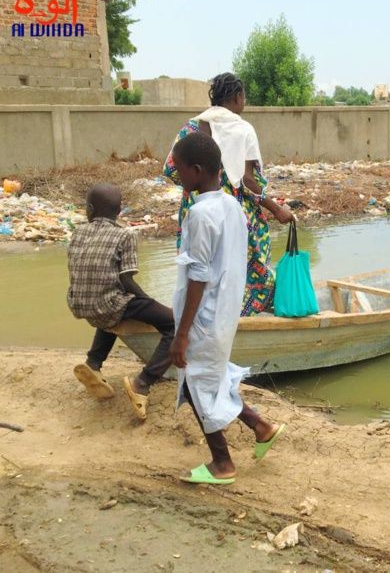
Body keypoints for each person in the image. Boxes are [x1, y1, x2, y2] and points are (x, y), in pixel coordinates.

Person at [168, 132, 285, 485]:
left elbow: (199, 276)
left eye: (180, 169)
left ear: (198, 170)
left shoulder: (200, 214)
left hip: (204, 316)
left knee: (195, 384)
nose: (177, 176)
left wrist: (182, 335)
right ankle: (260, 426)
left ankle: (223, 463)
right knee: (210, 378)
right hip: (224, 312)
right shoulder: (231, 205)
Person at [163, 72, 294, 316]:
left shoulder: (191, 126)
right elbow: (247, 181)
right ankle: (243, 314)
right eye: (244, 96)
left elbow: (171, 169)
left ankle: (194, 316)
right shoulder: (243, 129)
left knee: (197, 265)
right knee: (251, 266)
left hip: (196, 208)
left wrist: (197, 190)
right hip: (235, 213)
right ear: (237, 97)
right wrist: (276, 209)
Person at [67, 183, 175, 421]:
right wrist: (148, 300)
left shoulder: (78, 232)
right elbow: (126, 280)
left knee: (111, 309)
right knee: (174, 324)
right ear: (119, 212)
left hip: (79, 303)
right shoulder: (124, 234)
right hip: (107, 302)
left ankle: (93, 363)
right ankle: (143, 382)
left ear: (90, 209)